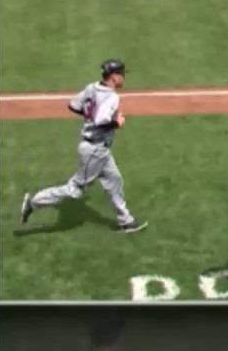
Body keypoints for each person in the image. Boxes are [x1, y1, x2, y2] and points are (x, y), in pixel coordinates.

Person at [20, 60, 147, 233]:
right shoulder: (111, 97)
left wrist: (89, 116)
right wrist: (117, 123)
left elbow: (73, 105)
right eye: (122, 74)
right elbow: (100, 121)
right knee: (75, 190)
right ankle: (34, 202)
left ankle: (125, 220)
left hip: (99, 148)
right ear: (114, 76)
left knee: (114, 180)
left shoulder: (92, 87)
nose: (124, 77)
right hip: (94, 149)